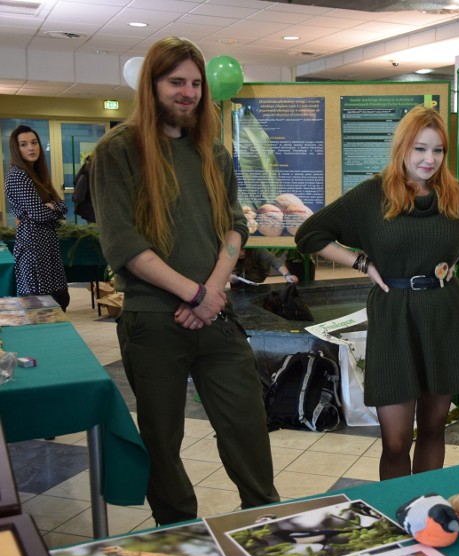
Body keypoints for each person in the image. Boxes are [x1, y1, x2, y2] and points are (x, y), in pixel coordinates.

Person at [90, 36, 279, 525]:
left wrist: (211, 292)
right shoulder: (118, 150)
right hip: (153, 320)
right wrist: (193, 293)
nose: (189, 92)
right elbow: (124, 245)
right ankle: (177, 533)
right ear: (152, 84)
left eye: (195, 83)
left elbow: (236, 224)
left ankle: (267, 522)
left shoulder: (212, 151)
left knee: (246, 426)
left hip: (216, 316)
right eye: (177, 81)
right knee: (161, 439)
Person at [295, 105, 459, 480]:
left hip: (443, 315)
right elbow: (309, 235)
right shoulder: (372, 195)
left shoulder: (456, 196)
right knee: (395, 441)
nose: (430, 159)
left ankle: (427, 509)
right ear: (402, 149)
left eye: (438, 150)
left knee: (432, 429)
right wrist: (362, 263)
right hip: (394, 317)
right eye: (420, 149)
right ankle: (399, 513)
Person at [4, 125, 70, 311]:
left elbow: (62, 206)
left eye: (34, 143)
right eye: (24, 144)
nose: (31, 148)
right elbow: (41, 214)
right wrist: (51, 209)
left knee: (60, 298)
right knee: (42, 304)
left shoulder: (37, 174)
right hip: (33, 245)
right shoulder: (18, 175)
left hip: (47, 243)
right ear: (16, 149)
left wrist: (53, 207)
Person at [230, 248, 298, 286]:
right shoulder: (229, 251)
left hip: (257, 275)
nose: (241, 253)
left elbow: (274, 261)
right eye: (238, 249)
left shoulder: (257, 249)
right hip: (238, 278)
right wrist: (230, 277)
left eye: (243, 249)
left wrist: (287, 275)